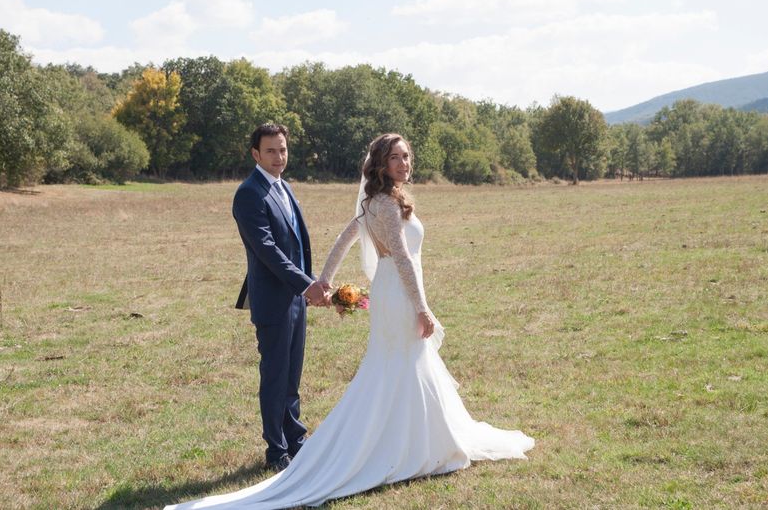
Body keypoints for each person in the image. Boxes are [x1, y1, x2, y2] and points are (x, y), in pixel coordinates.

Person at [167, 133, 533, 509]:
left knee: (404, 366)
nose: (404, 164)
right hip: (400, 294)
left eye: (406, 157)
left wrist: (323, 278)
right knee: (402, 364)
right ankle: (403, 445)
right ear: (380, 164)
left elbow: (346, 235)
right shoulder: (386, 205)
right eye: (395, 158)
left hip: (392, 292)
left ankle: (418, 437)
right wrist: (422, 307)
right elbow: (403, 259)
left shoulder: (374, 201)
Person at [232, 123, 331, 473]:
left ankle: (295, 438)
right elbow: (268, 250)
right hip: (274, 299)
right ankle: (276, 451)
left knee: (292, 374)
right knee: (275, 374)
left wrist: (311, 283)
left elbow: (297, 244)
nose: (279, 157)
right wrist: (306, 285)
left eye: (283, 149)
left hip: (295, 298)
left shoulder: (284, 187)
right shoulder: (249, 193)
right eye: (271, 151)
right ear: (256, 154)